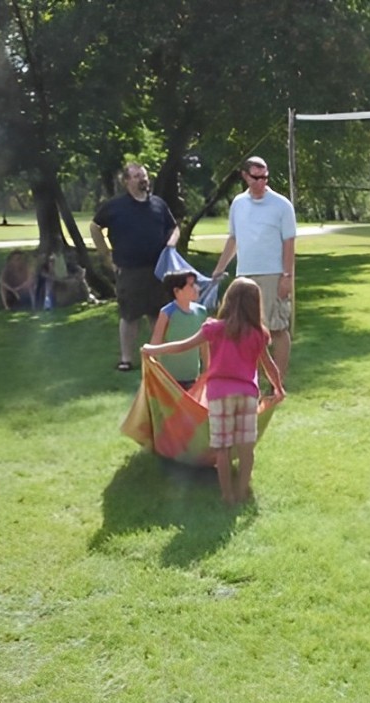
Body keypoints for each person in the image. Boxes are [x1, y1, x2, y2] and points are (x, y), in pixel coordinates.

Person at [142, 278, 285, 506]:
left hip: (218, 396)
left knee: (222, 448)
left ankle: (227, 495)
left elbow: (182, 346)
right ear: (255, 304)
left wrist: (152, 349)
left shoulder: (214, 329)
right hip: (247, 396)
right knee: (246, 448)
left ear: (228, 300)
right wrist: (278, 387)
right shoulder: (259, 333)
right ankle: (241, 492)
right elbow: (269, 365)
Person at [212, 157, 297, 381]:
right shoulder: (238, 203)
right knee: (245, 329)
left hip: (273, 273)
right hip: (244, 275)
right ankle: (250, 377)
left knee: (276, 329)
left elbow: (289, 243)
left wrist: (287, 277)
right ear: (245, 176)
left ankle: (276, 382)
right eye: (256, 177)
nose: (261, 181)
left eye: (265, 177)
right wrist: (219, 269)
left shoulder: (281, 205)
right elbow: (234, 239)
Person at [90, 163, 179, 371]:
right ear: (127, 181)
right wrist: (105, 255)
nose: (143, 179)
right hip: (129, 270)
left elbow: (174, 227)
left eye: (145, 175)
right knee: (130, 316)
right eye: (138, 176)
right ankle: (126, 359)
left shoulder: (158, 204)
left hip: (158, 270)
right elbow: (95, 227)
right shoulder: (115, 206)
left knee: (158, 314)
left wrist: (171, 243)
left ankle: (158, 358)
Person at [149, 270, 209, 390]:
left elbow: (204, 343)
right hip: (169, 378)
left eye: (195, 284)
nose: (196, 288)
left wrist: (207, 369)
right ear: (177, 291)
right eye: (191, 285)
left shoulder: (201, 312)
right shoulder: (167, 313)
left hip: (192, 376)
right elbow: (156, 342)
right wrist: (152, 370)